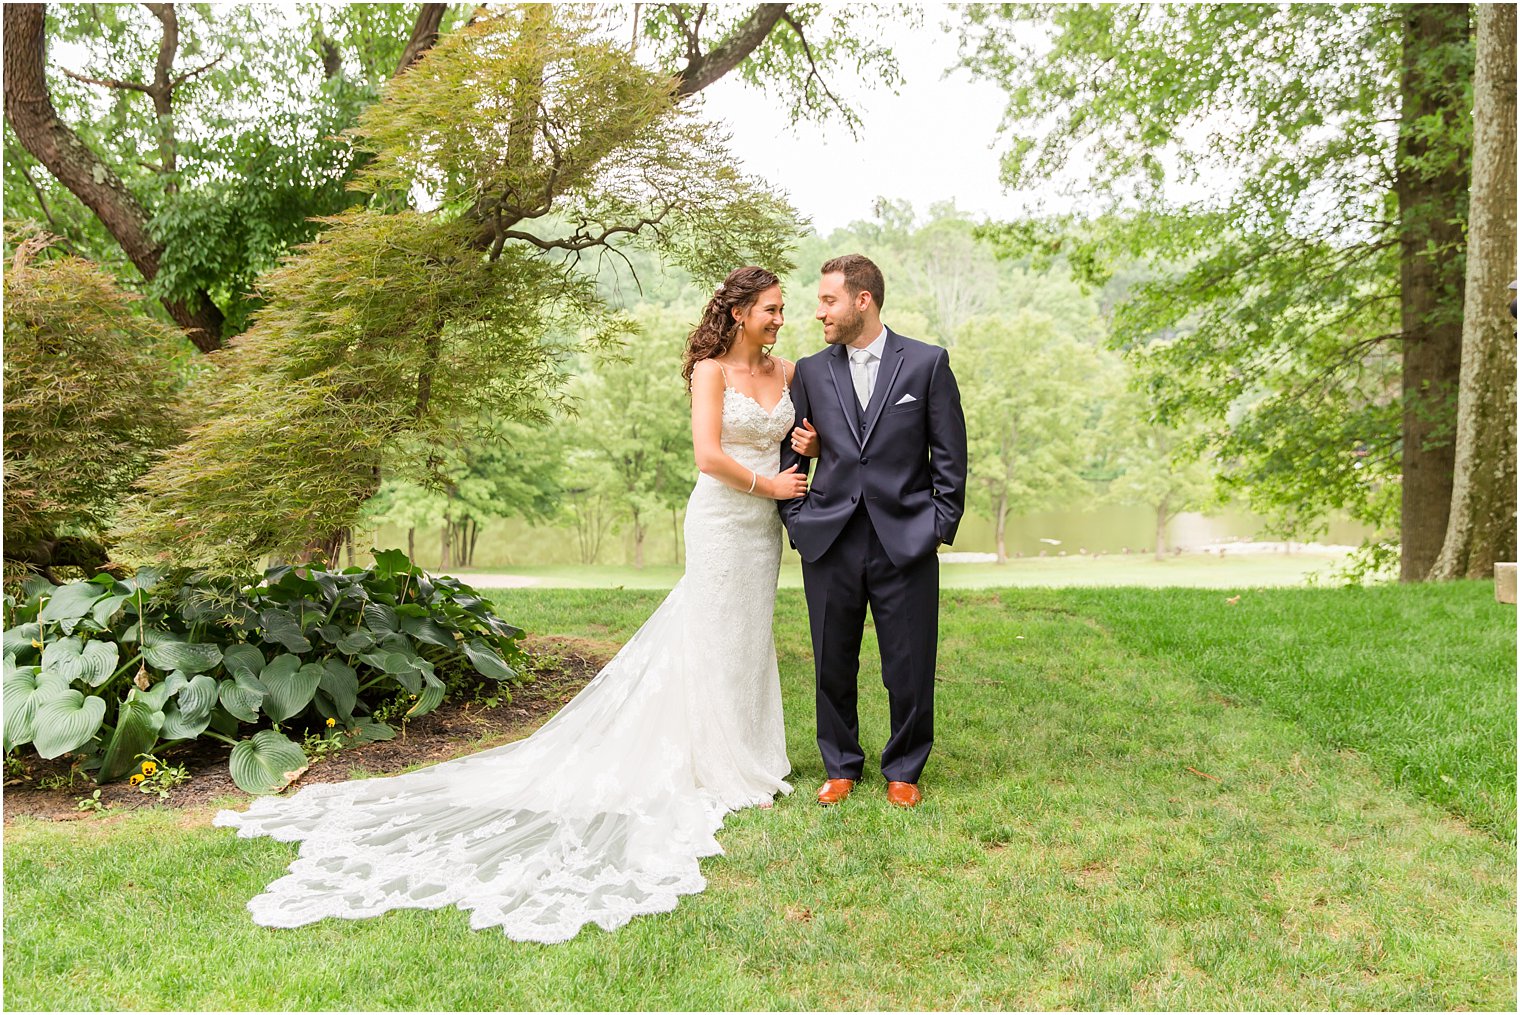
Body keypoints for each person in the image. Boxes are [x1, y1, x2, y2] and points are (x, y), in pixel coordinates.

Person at [214, 266, 816, 943]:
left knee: (745, 634)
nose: (780, 318)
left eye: (782, 309)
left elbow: (804, 435)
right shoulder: (711, 372)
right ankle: (716, 761)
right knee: (710, 632)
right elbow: (708, 455)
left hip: (763, 531)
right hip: (721, 517)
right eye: (770, 309)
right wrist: (772, 483)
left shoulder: (790, 370)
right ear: (738, 313)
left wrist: (806, 448)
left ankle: (751, 752)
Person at [778, 254, 968, 809]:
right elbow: (793, 453)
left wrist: (936, 525)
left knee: (908, 661)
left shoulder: (926, 364)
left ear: (864, 300)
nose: (819, 312)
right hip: (830, 538)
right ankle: (841, 764)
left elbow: (950, 457)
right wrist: (798, 520)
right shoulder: (811, 371)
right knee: (831, 659)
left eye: (828, 300)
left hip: (904, 539)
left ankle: (905, 768)